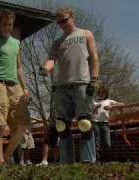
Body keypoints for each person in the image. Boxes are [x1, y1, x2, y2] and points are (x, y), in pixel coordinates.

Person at [42, 7, 100, 163]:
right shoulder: (57, 42)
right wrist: (45, 68)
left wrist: (95, 78)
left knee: (85, 123)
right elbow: (51, 60)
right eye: (59, 22)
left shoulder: (85, 34)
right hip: (62, 86)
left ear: (72, 17)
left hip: (81, 83)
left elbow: (94, 57)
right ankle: (66, 163)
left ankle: (88, 162)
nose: (62, 24)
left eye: (64, 20)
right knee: (61, 126)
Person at [0, 9, 31, 165]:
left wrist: (25, 87)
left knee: (23, 123)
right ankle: (0, 161)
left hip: (15, 85)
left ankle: (7, 154)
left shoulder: (16, 43)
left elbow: (19, 68)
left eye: (10, 25)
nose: (7, 27)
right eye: (4, 24)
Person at [94, 87, 124, 161]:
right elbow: (89, 112)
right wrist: (95, 108)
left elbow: (122, 104)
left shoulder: (109, 101)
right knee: (96, 143)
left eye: (103, 93)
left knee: (107, 143)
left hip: (105, 124)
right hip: (95, 124)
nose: (101, 94)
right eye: (99, 93)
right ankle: (97, 160)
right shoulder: (95, 102)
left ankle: (107, 160)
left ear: (106, 94)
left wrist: (111, 106)